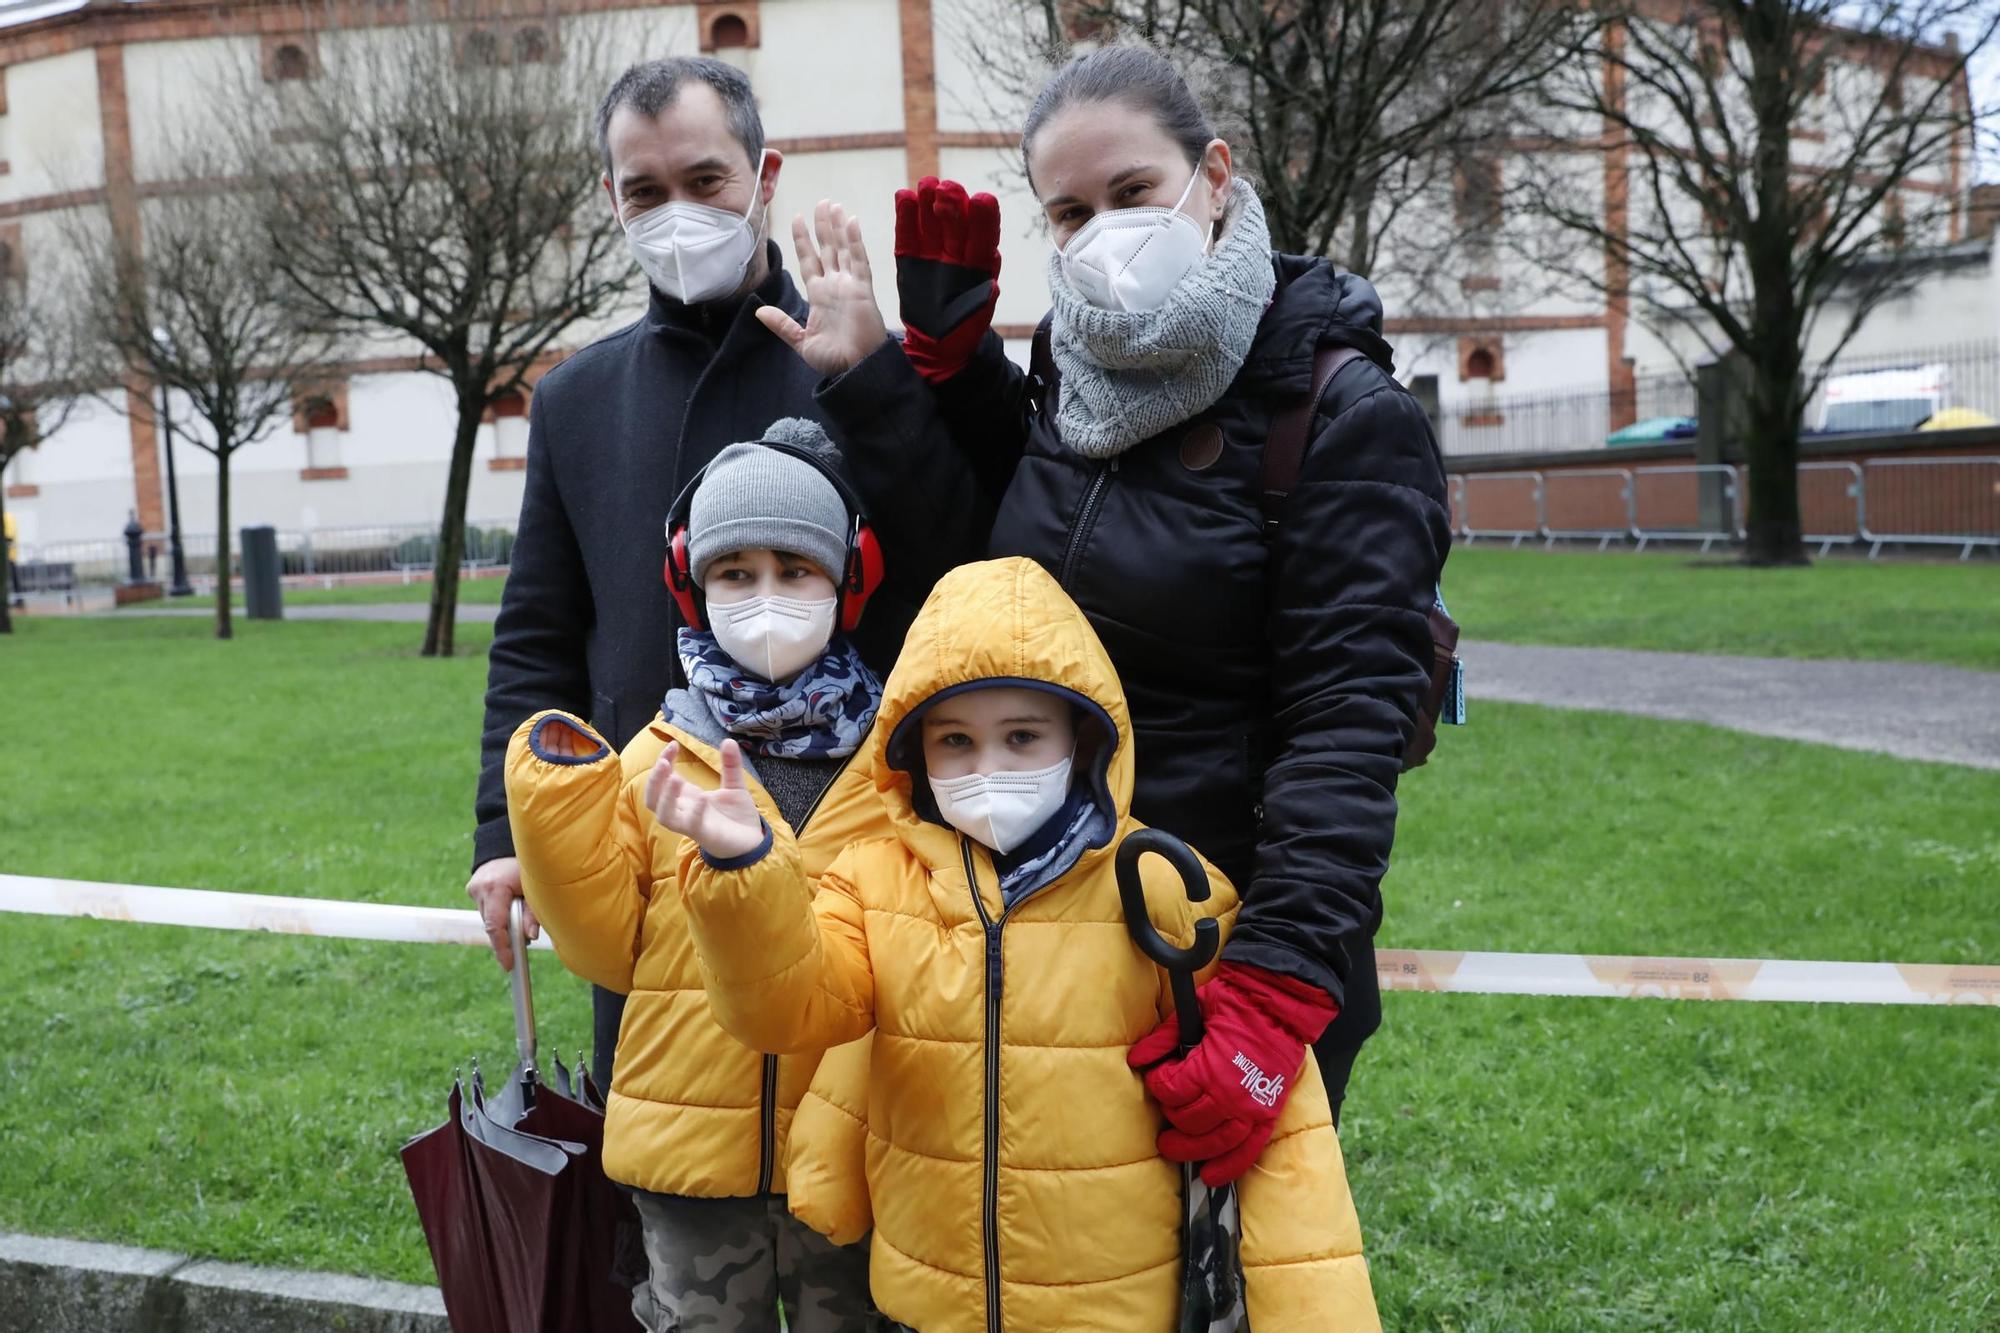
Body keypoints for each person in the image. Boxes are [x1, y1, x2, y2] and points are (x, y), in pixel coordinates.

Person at [760, 46, 1453, 1161]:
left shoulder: (1340, 413)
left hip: (1204, 947)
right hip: (1027, 930)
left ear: (1213, 175)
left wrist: (1274, 995)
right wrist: (898, 371)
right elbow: (982, 571)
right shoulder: (1064, 374)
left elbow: (1344, 733)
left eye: (1131, 192)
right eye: (1068, 212)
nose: (1101, 232)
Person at [655, 557, 1378, 1333]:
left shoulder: (1168, 887)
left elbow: (1284, 1146)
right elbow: (789, 1009)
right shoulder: (875, 881)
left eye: (1023, 735)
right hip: (927, 1305)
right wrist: (742, 874)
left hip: (1115, 1308)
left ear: (1085, 735)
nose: (987, 768)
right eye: (955, 740)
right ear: (913, 754)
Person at [466, 57, 935, 1092]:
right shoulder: (577, 397)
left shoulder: (849, 359)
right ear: (611, 200)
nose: (676, 211)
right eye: (645, 190)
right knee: (664, 1192)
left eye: (704, 180)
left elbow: (940, 571)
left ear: (763, 178)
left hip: (846, 860)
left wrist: (873, 385)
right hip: (643, 858)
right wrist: (506, 835)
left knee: (850, 1166)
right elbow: (538, 629)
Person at [502, 421, 885, 1331]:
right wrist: (552, 825)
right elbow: (606, 949)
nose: (765, 598)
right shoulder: (652, 765)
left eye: (795, 571)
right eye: (735, 574)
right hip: (689, 1163)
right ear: (693, 584)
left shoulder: (893, 769)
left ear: (847, 580)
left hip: (854, 1154)